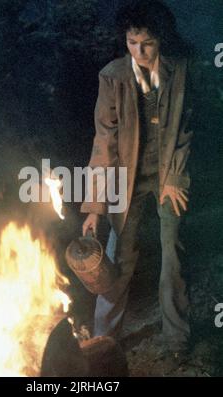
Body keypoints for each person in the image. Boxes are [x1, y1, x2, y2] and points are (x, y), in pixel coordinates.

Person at [81, 0, 195, 354]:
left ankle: (177, 338)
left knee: (172, 250)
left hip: (168, 178)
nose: (139, 51)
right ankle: (104, 339)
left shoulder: (182, 70)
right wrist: (96, 207)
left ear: (160, 38)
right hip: (125, 180)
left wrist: (174, 176)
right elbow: (104, 143)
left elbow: (186, 130)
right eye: (132, 42)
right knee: (120, 256)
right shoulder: (112, 77)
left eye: (146, 42)